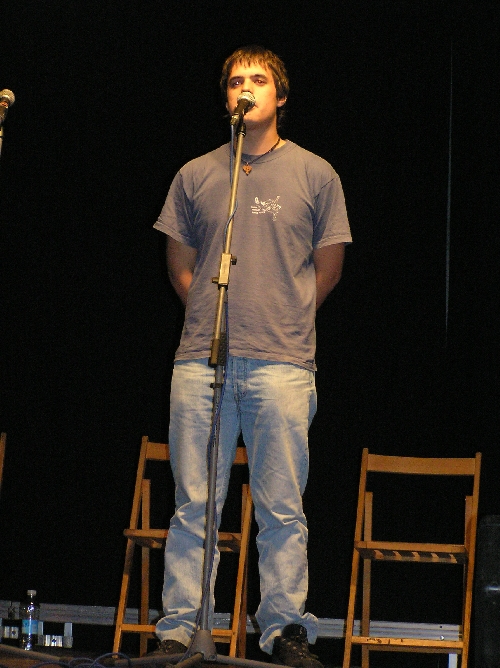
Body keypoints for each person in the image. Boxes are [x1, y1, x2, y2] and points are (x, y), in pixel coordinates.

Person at [151, 45, 352, 668]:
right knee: (194, 504)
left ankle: (285, 631)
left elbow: (327, 268)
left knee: (282, 508)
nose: (246, 88)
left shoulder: (316, 174)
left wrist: (282, 316)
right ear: (227, 97)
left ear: (280, 97)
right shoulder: (196, 174)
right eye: (236, 80)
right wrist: (219, 319)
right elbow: (181, 269)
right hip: (201, 361)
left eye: (259, 80)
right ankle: (180, 630)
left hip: (282, 362)